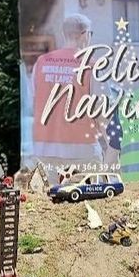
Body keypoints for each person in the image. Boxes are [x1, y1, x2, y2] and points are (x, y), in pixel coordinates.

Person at [31, 13, 103, 169]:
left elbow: (33, 103)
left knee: (48, 193)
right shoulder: (91, 65)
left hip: (45, 149)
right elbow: (101, 112)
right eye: (90, 33)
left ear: (64, 34)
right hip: (83, 150)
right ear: (84, 35)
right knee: (88, 192)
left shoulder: (41, 63)